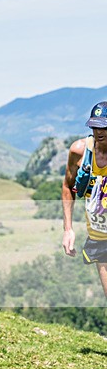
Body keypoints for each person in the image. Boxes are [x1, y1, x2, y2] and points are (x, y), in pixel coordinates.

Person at [62, 101, 107, 298]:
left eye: (104, 127)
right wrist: (68, 229)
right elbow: (67, 186)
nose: (99, 132)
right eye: (95, 126)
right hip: (99, 235)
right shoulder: (79, 151)